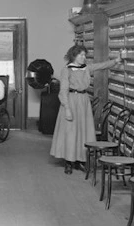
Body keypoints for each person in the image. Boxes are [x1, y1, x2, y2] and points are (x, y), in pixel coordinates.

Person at [50, 44, 125, 174]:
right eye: (82, 55)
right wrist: (67, 108)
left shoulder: (86, 68)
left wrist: (116, 60)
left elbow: (102, 66)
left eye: (85, 55)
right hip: (71, 101)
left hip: (83, 101)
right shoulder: (66, 70)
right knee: (71, 132)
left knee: (83, 131)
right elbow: (63, 91)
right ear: (74, 56)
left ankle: (81, 160)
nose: (84, 58)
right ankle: (69, 161)